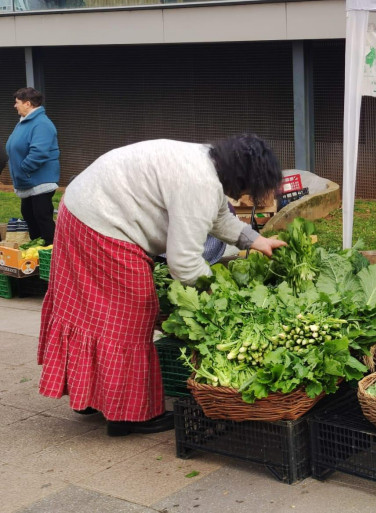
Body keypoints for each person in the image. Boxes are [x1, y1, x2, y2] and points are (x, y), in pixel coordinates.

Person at [37, 134, 287, 437]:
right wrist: (219, 294)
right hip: (103, 223)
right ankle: (128, 417)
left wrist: (259, 242)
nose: (247, 195)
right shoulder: (200, 183)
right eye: (250, 187)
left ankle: (90, 396)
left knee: (92, 314)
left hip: (83, 208)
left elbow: (220, 217)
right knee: (132, 314)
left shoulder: (208, 161)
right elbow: (183, 263)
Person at [6, 87, 59, 245]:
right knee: (28, 214)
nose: (15, 106)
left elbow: (39, 152)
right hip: (29, 179)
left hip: (39, 180)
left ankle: (51, 249)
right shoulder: (24, 122)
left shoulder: (41, 124)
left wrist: (23, 169)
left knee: (42, 215)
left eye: (17, 102)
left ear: (27, 103)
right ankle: (36, 248)